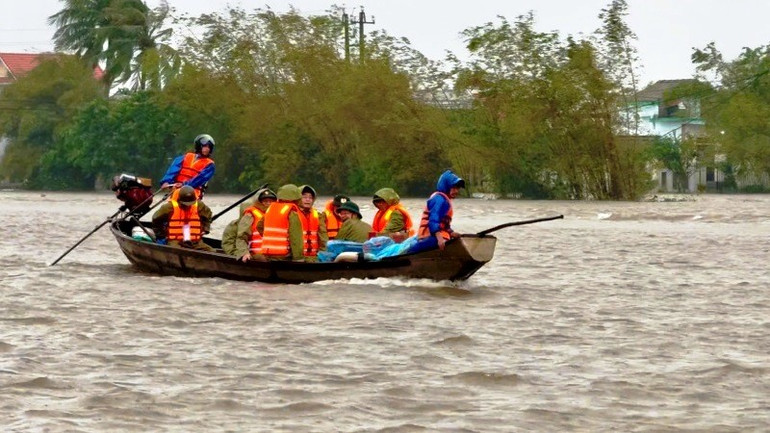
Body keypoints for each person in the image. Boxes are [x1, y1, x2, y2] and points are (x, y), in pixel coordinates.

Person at [410, 169, 465, 254]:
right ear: (446, 186)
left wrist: (452, 233)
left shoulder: (445, 200)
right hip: (429, 237)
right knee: (412, 250)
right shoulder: (439, 199)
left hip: (436, 236)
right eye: (453, 188)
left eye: (457, 188)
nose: (456, 191)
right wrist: (439, 238)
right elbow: (433, 220)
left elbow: (444, 225)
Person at [152, 185, 214, 251]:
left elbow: (208, 215)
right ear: (179, 200)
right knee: (177, 252)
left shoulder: (199, 205)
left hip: (195, 241)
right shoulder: (169, 207)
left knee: (212, 252)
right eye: (185, 204)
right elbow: (156, 219)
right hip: (176, 241)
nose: (188, 206)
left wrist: (206, 228)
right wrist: (161, 234)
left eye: (190, 204)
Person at [222, 188, 276, 259]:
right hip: (254, 254)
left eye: (270, 201)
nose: (268, 204)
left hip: (272, 254)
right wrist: (241, 254)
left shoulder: (275, 216)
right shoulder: (234, 225)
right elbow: (229, 244)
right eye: (265, 201)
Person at [160, 134, 216, 201]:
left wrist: (183, 185)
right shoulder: (185, 157)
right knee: (172, 203)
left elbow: (199, 179)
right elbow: (173, 170)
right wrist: (166, 182)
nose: (207, 149)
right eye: (204, 146)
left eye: (209, 147)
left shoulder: (210, 165)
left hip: (193, 193)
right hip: (176, 191)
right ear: (198, 146)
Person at [258, 184, 305, 262]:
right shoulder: (291, 211)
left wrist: (271, 240)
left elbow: (259, 226)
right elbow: (295, 238)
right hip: (283, 256)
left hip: (267, 253)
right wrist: (298, 258)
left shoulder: (271, 208)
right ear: (297, 198)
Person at [297, 185, 328, 262]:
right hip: (297, 258)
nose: (308, 200)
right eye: (304, 197)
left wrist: (323, 255)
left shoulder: (318, 215)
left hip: (314, 257)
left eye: (310, 197)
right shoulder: (292, 214)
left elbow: (323, 237)